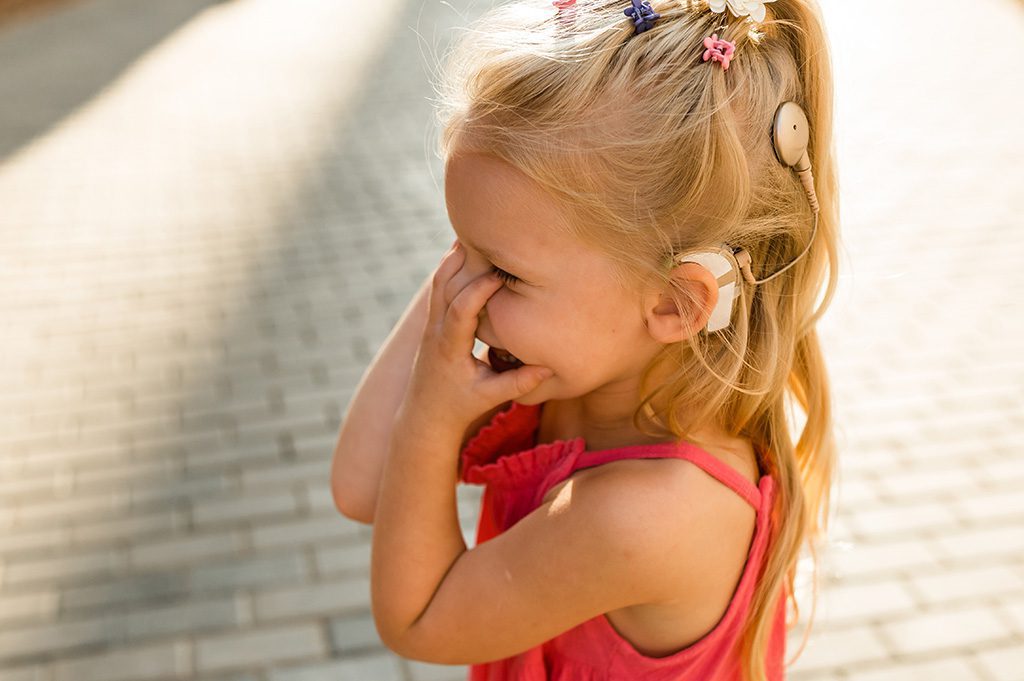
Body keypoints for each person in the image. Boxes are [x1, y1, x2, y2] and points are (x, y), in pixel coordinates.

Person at [331, 0, 840, 678]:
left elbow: (418, 618)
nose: (461, 296)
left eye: (503, 272)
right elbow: (361, 485)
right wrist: (486, 246)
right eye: (458, 247)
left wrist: (432, 409)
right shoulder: (570, 375)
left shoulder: (650, 513)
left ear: (676, 301)